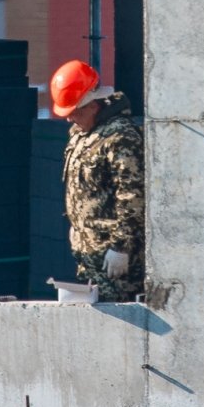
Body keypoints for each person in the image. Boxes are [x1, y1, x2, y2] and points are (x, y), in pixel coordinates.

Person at [49, 59, 145, 301]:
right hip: (88, 254)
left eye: (75, 112)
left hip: (113, 259)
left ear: (93, 105)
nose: (70, 119)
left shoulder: (119, 136)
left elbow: (132, 195)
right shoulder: (81, 134)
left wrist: (121, 247)